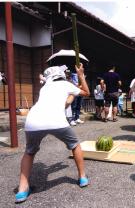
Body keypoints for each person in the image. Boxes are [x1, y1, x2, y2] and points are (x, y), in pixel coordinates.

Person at [15, 64, 90, 203]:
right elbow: (86, 92)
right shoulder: (66, 84)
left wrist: (72, 93)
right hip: (56, 121)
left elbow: (64, 104)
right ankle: (83, 177)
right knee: (74, 145)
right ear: (61, 76)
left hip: (33, 121)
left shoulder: (45, 87)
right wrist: (80, 76)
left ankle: (22, 190)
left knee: (29, 152)